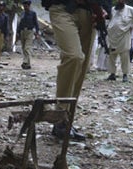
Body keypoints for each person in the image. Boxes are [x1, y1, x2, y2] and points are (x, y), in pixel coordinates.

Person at [43, 0, 110, 140]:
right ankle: (60, 115)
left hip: (90, 13)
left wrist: (104, 9)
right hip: (62, 8)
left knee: (82, 67)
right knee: (74, 57)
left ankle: (66, 121)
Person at [106, 0, 133, 82]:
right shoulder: (113, 9)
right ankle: (112, 74)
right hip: (112, 37)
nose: (120, 1)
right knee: (111, 56)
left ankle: (125, 75)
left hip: (123, 37)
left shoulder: (130, 9)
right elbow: (108, 19)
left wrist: (132, 26)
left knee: (125, 57)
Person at [17, 0, 40, 70]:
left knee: (27, 47)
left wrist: (37, 33)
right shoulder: (22, 13)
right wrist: (18, 33)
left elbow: (36, 23)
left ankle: (25, 62)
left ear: (29, 6)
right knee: (24, 48)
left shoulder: (33, 13)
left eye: (26, 5)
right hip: (22, 31)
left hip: (30, 31)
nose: (25, 7)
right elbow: (20, 23)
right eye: (24, 5)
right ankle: (28, 64)